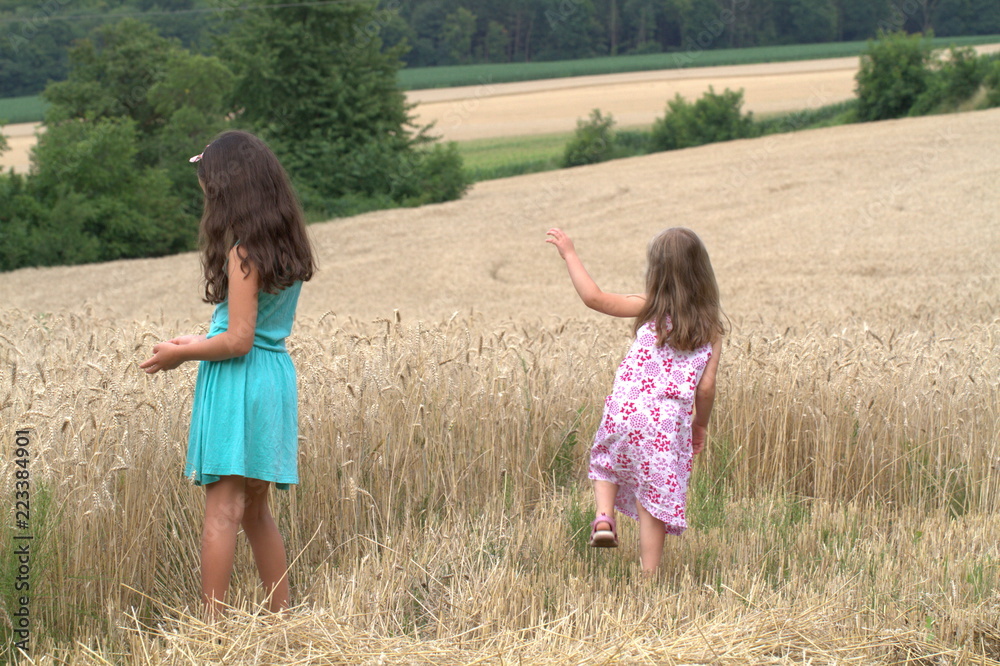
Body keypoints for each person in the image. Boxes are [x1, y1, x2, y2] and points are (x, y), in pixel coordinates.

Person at [141, 130, 316, 616]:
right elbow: (253, 331)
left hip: (239, 380)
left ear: (226, 190)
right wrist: (193, 341)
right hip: (273, 379)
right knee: (258, 512)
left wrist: (183, 354)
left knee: (222, 512)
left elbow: (238, 339)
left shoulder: (243, 252)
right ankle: (281, 618)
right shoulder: (286, 245)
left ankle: (211, 630)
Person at [546, 227, 723, 574]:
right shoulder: (711, 329)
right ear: (702, 272)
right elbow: (706, 388)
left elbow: (594, 298)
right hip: (666, 426)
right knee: (653, 501)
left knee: (606, 462)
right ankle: (648, 578)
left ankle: (603, 518)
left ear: (656, 271)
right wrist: (699, 425)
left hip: (625, 409)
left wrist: (569, 253)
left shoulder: (650, 308)